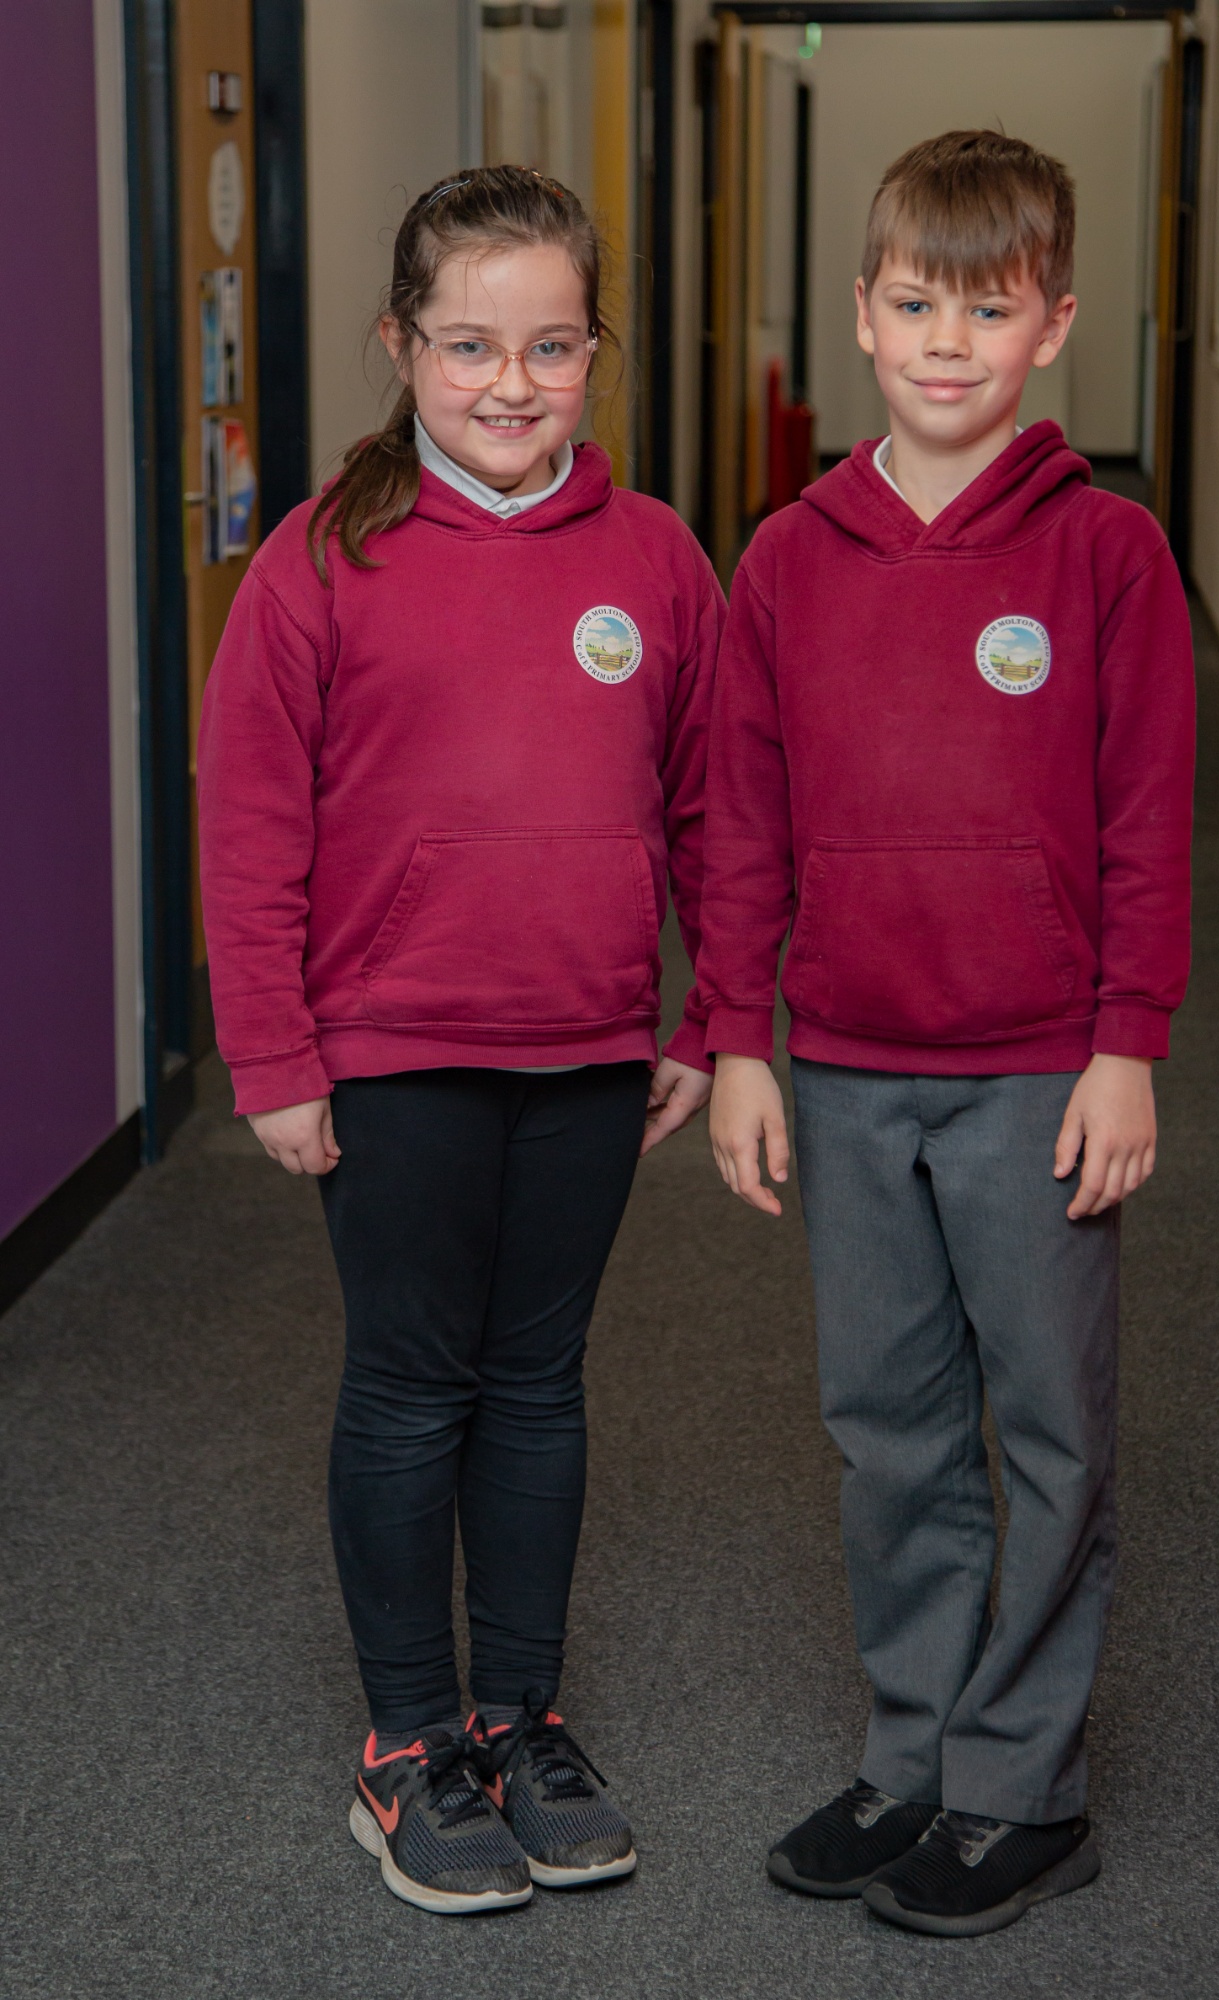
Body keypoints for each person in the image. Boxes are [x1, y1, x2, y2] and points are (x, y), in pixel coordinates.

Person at [197, 166, 721, 1917]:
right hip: (395, 1050)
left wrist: (710, 1014)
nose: (512, 383)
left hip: (583, 1049)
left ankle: (520, 1715)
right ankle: (408, 1743)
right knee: (416, 1387)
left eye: (551, 345)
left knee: (541, 1383)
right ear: (399, 346)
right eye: (471, 344)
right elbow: (251, 821)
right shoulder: (320, 561)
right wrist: (272, 1056)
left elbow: (717, 805)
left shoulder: (652, 557)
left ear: (596, 352)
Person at [702, 131, 1194, 1937]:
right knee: (889, 1430)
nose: (941, 342)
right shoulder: (785, 559)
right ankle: (913, 1753)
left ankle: (1020, 1787)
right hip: (837, 1063)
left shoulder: (1106, 552)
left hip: (1034, 1073)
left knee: (1048, 1427)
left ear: (1049, 327)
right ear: (858, 312)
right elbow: (741, 820)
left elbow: (1145, 814)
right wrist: (741, 1038)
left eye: (985, 312)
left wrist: (1124, 1040)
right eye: (911, 303)